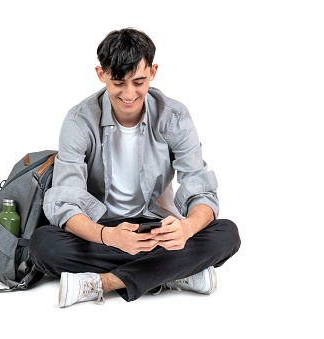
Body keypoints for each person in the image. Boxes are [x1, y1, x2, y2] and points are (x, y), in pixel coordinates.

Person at [29, 28, 241, 308]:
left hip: (155, 229)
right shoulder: (79, 121)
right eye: (118, 82)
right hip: (101, 232)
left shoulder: (174, 116)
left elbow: (200, 189)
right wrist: (108, 236)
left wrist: (187, 228)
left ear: (153, 72)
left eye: (139, 82)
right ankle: (174, 273)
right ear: (101, 74)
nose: (129, 94)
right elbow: (66, 203)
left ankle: (102, 283)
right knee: (43, 244)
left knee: (227, 233)